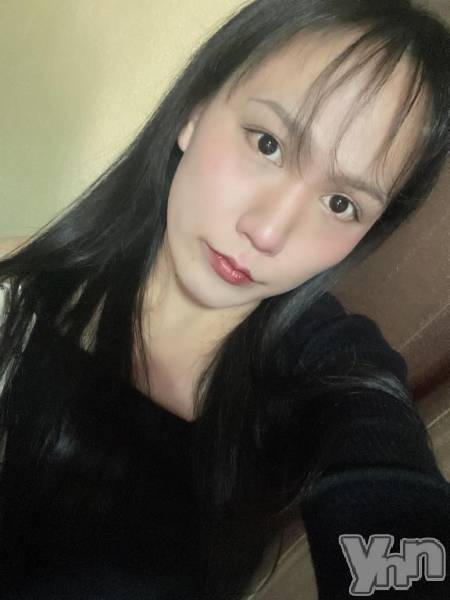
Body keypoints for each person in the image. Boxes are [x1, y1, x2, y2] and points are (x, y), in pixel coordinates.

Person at [0, 0, 449, 598]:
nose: (268, 232)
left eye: (342, 204)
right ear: (195, 109)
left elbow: (400, 533)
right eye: (267, 143)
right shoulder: (16, 286)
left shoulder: (329, 370)